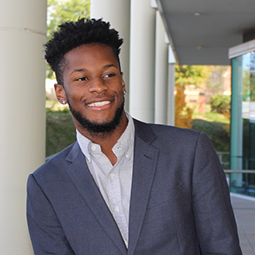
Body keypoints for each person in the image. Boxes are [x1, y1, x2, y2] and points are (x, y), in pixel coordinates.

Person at [27, 18, 242, 255]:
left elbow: (223, 246)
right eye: (82, 78)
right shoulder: (46, 184)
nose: (99, 87)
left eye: (108, 74)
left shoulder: (189, 151)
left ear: (122, 81)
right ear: (61, 93)